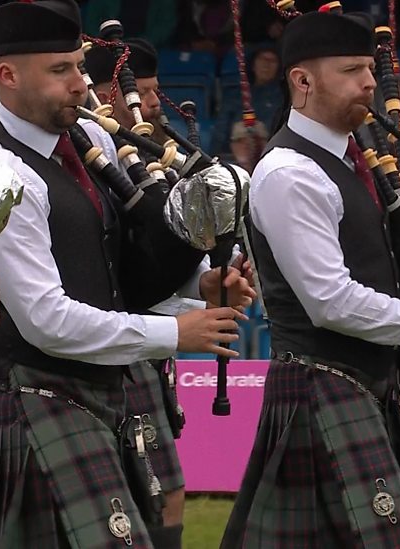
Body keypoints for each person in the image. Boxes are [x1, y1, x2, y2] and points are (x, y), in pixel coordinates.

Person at [0, 2, 245, 548]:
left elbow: (115, 274)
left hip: (105, 396)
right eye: (61, 70)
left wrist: (197, 289)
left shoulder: (90, 142)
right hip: (40, 400)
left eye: (79, 67)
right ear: (7, 75)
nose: (81, 84)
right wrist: (178, 333)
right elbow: (46, 320)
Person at [220, 9, 400, 547]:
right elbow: (330, 301)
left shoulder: (353, 160)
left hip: (368, 385)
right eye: (352, 70)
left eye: (371, 70)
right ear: (302, 81)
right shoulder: (291, 173)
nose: (369, 83)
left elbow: (383, 263)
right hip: (319, 387)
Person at [82, 34, 257, 536]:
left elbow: (158, 265)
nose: (154, 102)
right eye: (144, 91)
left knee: (167, 494)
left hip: (151, 346)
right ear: (101, 95)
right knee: (126, 502)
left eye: (157, 91)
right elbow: (119, 271)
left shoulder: (161, 158)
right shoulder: (96, 162)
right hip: (108, 344)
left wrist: (207, 284)